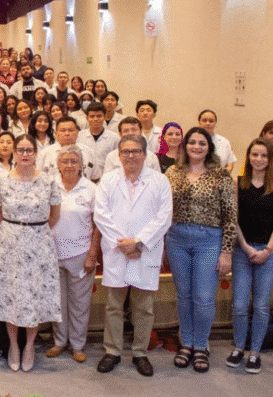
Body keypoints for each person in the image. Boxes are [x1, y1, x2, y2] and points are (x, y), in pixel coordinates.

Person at [0, 134, 61, 372]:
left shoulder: (48, 181)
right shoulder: (1, 181)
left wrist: (36, 230)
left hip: (38, 244)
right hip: (9, 244)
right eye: (20, 150)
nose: (24, 154)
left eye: (29, 150)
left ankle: (30, 345)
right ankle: (14, 345)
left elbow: (55, 215)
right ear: (13, 153)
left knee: (33, 296)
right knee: (10, 296)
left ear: (36, 153)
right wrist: (9, 233)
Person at [94, 135, 173, 377]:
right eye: (126, 151)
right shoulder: (108, 180)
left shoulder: (159, 181)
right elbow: (101, 215)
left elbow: (164, 217)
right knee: (114, 306)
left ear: (145, 154)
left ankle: (140, 353)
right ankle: (113, 351)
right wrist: (123, 244)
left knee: (144, 307)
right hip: (118, 252)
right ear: (118, 155)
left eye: (136, 151)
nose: (130, 156)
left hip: (144, 252)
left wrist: (138, 243)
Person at [165, 127, 236, 373]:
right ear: (185, 146)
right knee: (184, 296)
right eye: (192, 142)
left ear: (209, 148)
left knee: (204, 298)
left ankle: (201, 345)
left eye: (202, 143)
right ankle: (187, 343)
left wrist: (227, 252)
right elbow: (162, 209)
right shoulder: (172, 172)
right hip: (177, 239)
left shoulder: (221, 175)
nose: (197, 146)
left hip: (209, 240)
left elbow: (230, 216)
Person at [46, 146, 99, 364]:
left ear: (81, 165)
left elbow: (98, 224)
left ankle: (77, 345)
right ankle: (60, 342)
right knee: (57, 301)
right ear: (58, 164)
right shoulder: (50, 185)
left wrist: (92, 253)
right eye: (65, 161)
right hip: (51, 252)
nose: (69, 165)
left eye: (74, 161)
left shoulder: (91, 189)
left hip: (80, 252)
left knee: (79, 303)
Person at [226, 138, 273, 374]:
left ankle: (255, 352)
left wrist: (267, 250)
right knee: (241, 305)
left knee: (262, 306)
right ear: (248, 156)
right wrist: (245, 247)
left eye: (264, 155)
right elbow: (234, 219)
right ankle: (239, 347)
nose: (259, 159)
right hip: (242, 251)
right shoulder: (239, 183)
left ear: (270, 158)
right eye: (255, 154)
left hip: (268, 253)